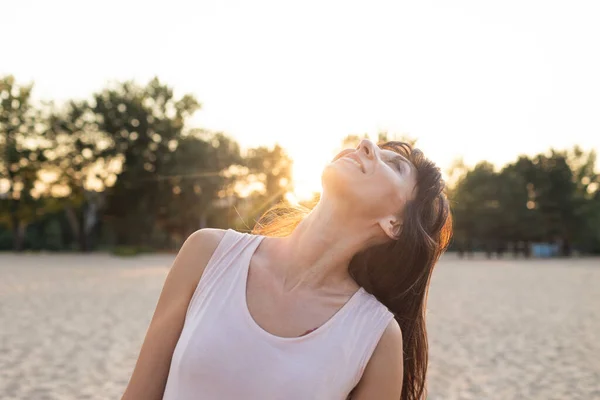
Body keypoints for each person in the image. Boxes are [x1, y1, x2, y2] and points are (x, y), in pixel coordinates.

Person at [121, 139, 452, 400]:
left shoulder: (376, 337)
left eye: (394, 166)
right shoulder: (207, 253)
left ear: (394, 224)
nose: (365, 145)